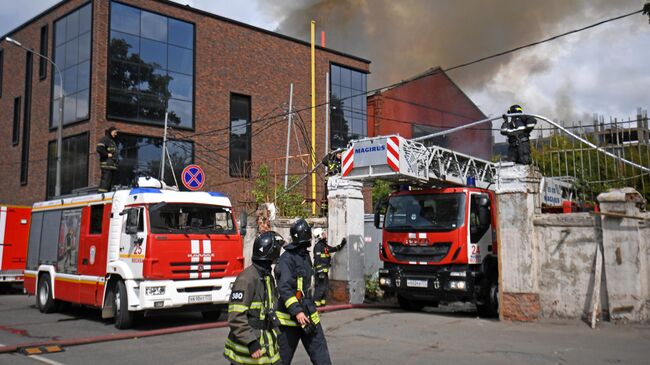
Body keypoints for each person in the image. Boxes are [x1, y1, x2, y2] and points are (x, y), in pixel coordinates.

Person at [275, 219, 332, 365]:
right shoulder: (286, 259)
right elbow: (285, 288)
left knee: (322, 358)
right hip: (289, 320)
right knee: (281, 360)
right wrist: (297, 311)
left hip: (309, 313)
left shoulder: (304, 256)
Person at [223, 231, 284, 365]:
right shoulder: (247, 279)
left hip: (266, 344)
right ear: (271, 252)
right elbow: (236, 316)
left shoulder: (267, 276)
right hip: (248, 351)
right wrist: (251, 342)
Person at [312, 228, 347, 307]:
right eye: (323, 233)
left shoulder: (324, 245)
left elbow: (332, 249)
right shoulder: (318, 246)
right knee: (320, 289)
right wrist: (320, 271)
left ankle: (322, 305)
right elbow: (317, 260)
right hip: (320, 272)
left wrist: (341, 244)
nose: (325, 234)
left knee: (325, 288)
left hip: (324, 272)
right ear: (319, 236)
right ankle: (315, 306)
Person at [96, 127, 119, 192]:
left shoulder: (112, 141)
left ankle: (108, 194)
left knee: (110, 183)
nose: (116, 134)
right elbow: (99, 148)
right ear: (111, 132)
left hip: (112, 166)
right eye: (115, 132)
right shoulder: (105, 139)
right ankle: (102, 195)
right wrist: (107, 154)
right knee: (105, 181)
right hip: (107, 165)